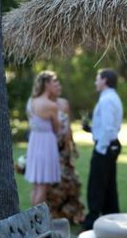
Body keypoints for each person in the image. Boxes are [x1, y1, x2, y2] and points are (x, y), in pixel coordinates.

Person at [83, 68, 123, 230]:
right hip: (110, 144)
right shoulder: (111, 97)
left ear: (105, 80)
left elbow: (108, 129)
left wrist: (100, 148)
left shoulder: (107, 100)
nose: (95, 82)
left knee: (97, 185)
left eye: (97, 79)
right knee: (108, 185)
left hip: (105, 147)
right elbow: (109, 126)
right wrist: (91, 129)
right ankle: (111, 217)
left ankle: (91, 222)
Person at [46, 79, 85, 224]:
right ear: (48, 88)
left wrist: (73, 145)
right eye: (55, 86)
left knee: (71, 182)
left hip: (65, 150)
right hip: (51, 149)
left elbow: (68, 126)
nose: (59, 87)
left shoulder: (64, 103)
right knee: (55, 183)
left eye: (59, 85)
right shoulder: (45, 104)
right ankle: (53, 214)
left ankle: (71, 214)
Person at [25, 70, 61, 205]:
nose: (56, 84)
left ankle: (31, 220)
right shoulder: (51, 105)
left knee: (36, 186)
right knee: (42, 187)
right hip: (46, 143)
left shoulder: (31, 101)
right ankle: (37, 222)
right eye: (54, 82)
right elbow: (56, 128)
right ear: (47, 84)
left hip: (34, 141)